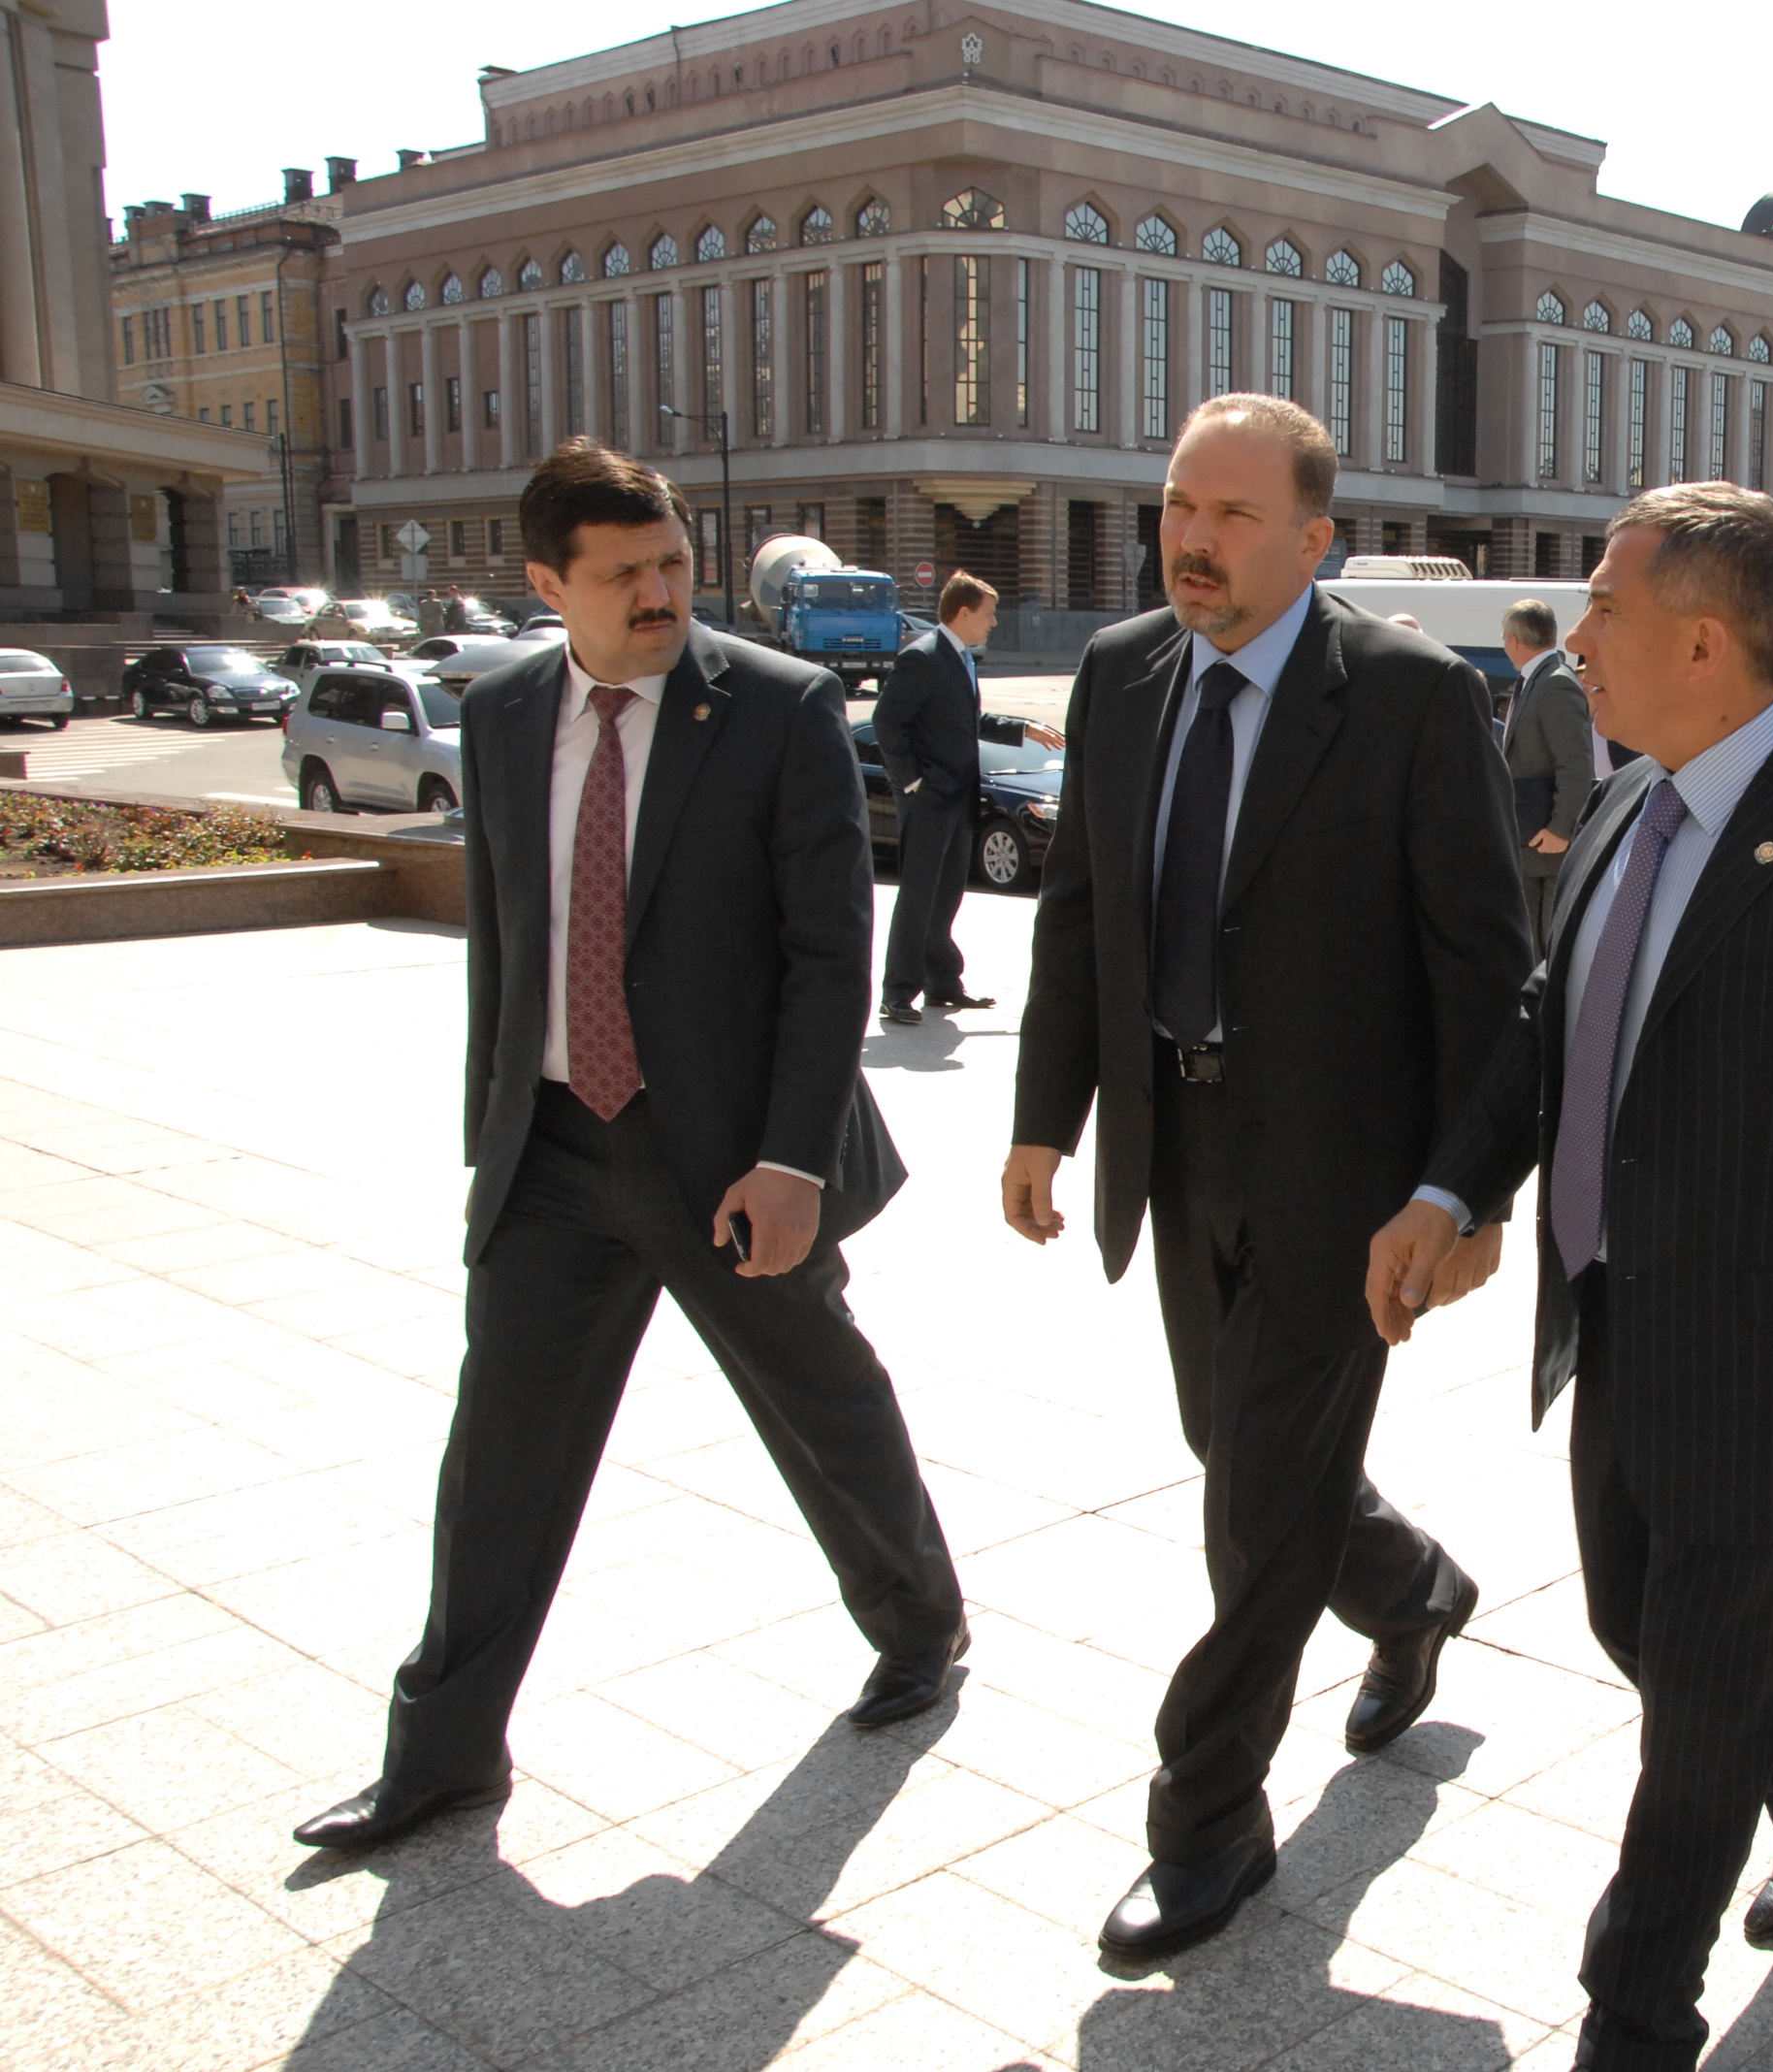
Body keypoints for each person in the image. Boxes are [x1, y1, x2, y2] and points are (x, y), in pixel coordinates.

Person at [1367, 482, 1773, 2072]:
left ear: (1705, 642)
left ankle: (1636, 2017)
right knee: (1641, 1631)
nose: (1574, 639)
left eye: (1604, 607)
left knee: (1690, 1732)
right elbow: (1551, 1019)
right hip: (1625, 1326)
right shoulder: (1625, 804)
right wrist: (1453, 1185)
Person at [294, 439, 967, 1854]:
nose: (661, 593)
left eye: (673, 563)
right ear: (549, 585)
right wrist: (493, 1137)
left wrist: (792, 1161)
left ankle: (921, 1625)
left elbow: (828, 951)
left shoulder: (777, 708)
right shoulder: (501, 711)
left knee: (820, 1401)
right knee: (500, 1455)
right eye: (624, 575)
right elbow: (508, 937)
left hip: (725, 1153)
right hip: (550, 1148)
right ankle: (444, 1752)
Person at [1001, 395, 1531, 1963]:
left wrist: (1473, 1192)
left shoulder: (1412, 697)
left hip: (1344, 1178)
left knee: (1257, 1507)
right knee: (1235, 1451)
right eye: (1180, 504)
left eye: (1233, 515)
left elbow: (1487, 969)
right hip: (1176, 1145)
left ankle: (1208, 1820)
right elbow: (1080, 913)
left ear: (1314, 540)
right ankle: (1412, 1589)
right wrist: (1045, 1119)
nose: (1194, 538)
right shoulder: (1120, 675)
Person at [874, 569, 1002, 1025]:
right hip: (930, 799)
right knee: (918, 896)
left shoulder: (961, 658)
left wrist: (1021, 729)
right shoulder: (922, 657)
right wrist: (912, 782)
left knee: (947, 896)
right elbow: (887, 721)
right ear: (963, 613)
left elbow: (964, 719)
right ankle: (898, 992)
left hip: (960, 797)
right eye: (988, 614)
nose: (993, 623)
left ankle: (942, 982)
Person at [1498, 598, 1596, 953]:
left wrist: (1561, 829)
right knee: (1529, 945)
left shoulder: (1555, 683)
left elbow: (1575, 763)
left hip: (1546, 844)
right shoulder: (1537, 680)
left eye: (1504, 639)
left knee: (1544, 948)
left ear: (1514, 640)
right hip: (1530, 840)